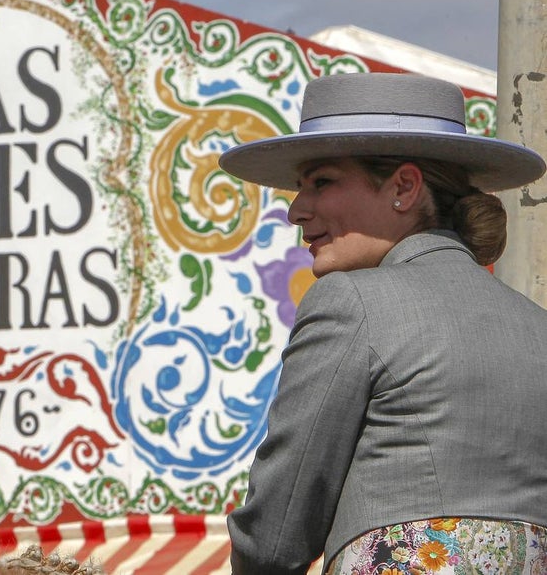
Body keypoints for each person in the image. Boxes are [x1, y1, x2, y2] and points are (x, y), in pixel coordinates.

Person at [217, 72, 547, 574]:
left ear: (405, 187)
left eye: (321, 181)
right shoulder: (537, 326)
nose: (295, 211)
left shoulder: (350, 301)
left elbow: (277, 534)